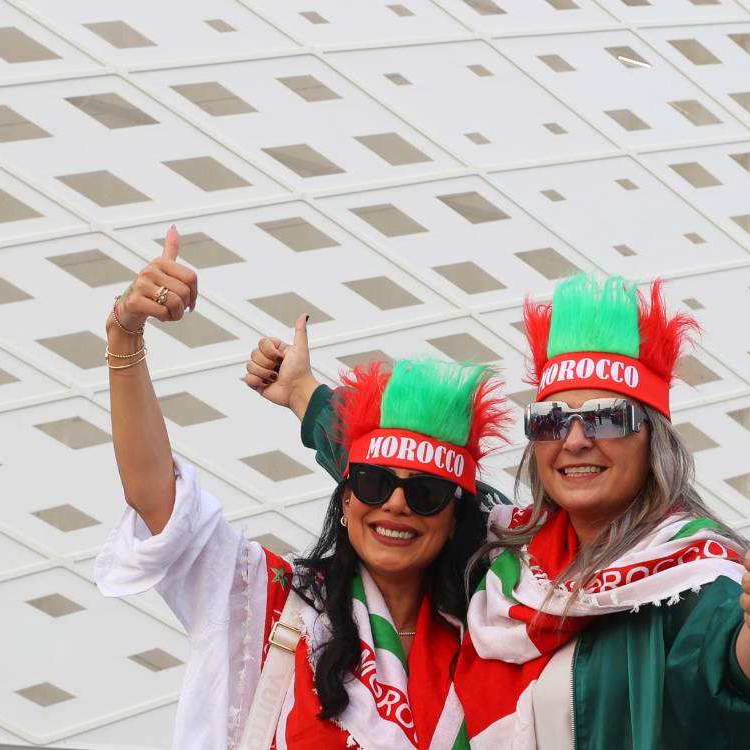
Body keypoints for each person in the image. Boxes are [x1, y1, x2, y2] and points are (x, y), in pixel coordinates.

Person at [272, 274, 750, 749]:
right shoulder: (506, 545)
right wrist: (304, 395)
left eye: (605, 417)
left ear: (653, 439)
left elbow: (749, 687)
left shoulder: (690, 574)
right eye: (551, 420)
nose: (574, 440)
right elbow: (413, 487)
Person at [94, 227, 509, 748]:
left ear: (455, 519)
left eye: (426, 492)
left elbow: (522, 526)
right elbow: (156, 496)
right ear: (345, 499)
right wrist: (124, 333)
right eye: (374, 482)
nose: (398, 503)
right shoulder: (267, 602)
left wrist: (304, 395)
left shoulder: (499, 633)